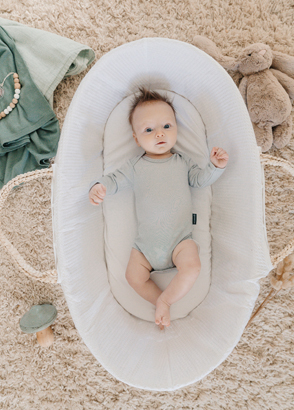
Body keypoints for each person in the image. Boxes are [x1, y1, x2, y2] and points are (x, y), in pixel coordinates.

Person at [89, 86, 229, 330]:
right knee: (133, 277)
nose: (159, 134)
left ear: (176, 128)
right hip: (145, 247)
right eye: (148, 129)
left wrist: (215, 166)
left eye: (166, 126)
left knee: (193, 266)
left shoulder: (182, 162)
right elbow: (114, 179)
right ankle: (160, 302)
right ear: (135, 138)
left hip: (180, 240)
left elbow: (199, 180)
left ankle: (166, 299)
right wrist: (100, 186)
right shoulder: (134, 167)